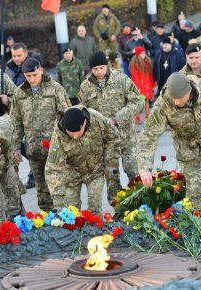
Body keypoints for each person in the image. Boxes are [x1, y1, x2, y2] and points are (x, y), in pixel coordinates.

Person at [137, 72, 201, 214]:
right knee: (194, 192)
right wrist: (144, 168)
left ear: (189, 91)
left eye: (179, 98)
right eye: (173, 98)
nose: (175, 102)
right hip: (187, 146)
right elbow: (148, 136)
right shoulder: (164, 103)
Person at [78, 51, 140, 203]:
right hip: (106, 141)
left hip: (126, 137)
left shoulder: (120, 79)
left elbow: (136, 101)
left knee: (133, 170)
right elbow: (83, 112)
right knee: (112, 176)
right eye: (95, 69)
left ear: (107, 66)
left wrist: (117, 118)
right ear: (90, 69)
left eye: (101, 68)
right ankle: (118, 207)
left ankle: (142, 201)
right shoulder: (86, 86)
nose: (99, 72)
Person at [10, 57, 69, 212]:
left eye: (34, 75)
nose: (32, 79)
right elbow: (15, 122)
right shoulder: (19, 93)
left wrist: (66, 143)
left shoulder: (55, 89)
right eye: (28, 76)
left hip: (54, 148)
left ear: (41, 70)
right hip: (33, 149)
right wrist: (15, 147)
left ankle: (66, 219)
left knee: (59, 186)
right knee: (41, 189)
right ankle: (48, 220)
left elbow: (66, 116)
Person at [45, 106, 121, 212]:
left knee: (95, 208)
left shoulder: (96, 118)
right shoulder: (58, 135)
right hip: (71, 174)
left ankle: (96, 226)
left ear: (84, 123)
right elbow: (53, 168)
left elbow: (113, 138)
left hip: (95, 170)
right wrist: (58, 201)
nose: (75, 137)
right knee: (71, 212)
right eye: (71, 133)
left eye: (78, 132)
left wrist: (111, 162)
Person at [5, 42, 42, 189]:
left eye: (19, 55)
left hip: (35, 111)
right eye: (14, 56)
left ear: (25, 53)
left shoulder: (34, 64)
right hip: (16, 110)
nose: (16, 58)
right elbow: (9, 87)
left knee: (36, 145)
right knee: (20, 143)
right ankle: (35, 171)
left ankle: (35, 175)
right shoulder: (9, 66)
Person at [129, 46, 155, 119]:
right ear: (138, 54)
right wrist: (138, 87)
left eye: (144, 53)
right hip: (141, 86)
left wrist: (152, 84)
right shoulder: (135, 65)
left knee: (147, 101)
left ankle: (148, 115)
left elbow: (150, 75)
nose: (144, 54)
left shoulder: (147, 62)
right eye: (142, 53)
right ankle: (137, 116)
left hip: (147, 85)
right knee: (140, 102)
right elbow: (135, 78)